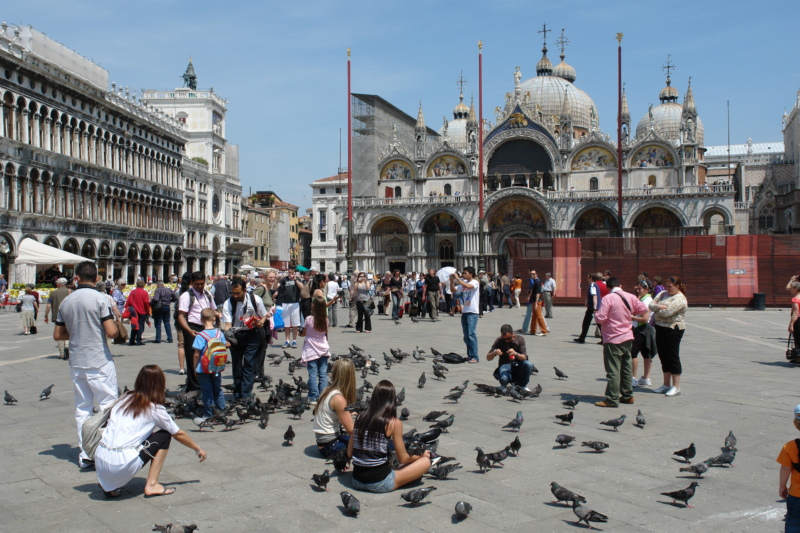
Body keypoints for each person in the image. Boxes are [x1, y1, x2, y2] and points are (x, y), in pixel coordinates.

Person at [94, 365, 207, 498]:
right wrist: (197, 448)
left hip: (100, 458)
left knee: (145, 437)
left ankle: (109, 485)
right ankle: (152, 485)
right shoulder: (154, 408)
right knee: (165, 435)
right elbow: (178, 434)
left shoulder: (125, 398)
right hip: (121, 463)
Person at [54, 260, 120, 469]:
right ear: (97, 278)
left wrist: (78, 332)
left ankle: (85, 454)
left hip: (77, 360)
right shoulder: (101, 299)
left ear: (77, 278)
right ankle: (106, 450)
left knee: (82, 408)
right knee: (108, 405)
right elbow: (111, 332)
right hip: (98, 359)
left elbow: (58, 335)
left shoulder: (67, 301)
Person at [347, 380, 433, 493]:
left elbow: (349, 453)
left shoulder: (360, 417)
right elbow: (403, 458)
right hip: (380, 483)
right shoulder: (393, 423)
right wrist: (421, 456)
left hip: (356, 481)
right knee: (425, 462)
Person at [593, 278, 649, 408]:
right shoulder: (630, 296)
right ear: (620, 285)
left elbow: (601, 318)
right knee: (626, 368)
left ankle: (612, 398)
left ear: (608, 287)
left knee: (613, 369)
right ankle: (628, 395)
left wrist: (596, 314)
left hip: (613, 338)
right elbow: (644, 309)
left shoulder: (608, 298)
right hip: (628, 336)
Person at [221, 278, 268, 400]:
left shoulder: (255, 299)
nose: (235, 296)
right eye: (233, 293)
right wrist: (227, 339)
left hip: (251, 333)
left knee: (248, 363)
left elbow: (264, 316)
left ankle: (246, 394)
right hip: (235, 335)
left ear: (245, 290)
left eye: (238, 293)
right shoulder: (228, 303)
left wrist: (260, 323)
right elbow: (227, 324)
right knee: (236, 364)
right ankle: (237, 392)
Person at [649, 276, 688, 397]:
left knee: (672, 356)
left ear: (677, 286)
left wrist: (657, 308)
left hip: (673, 328)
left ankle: (676, 386)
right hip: (660, 327)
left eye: (670, 286)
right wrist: (658, 307)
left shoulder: (680, 298)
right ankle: (666, 384)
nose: (668, 288)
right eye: (667, 286)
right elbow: (650, 305)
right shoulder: (663, 294)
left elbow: (667, 312)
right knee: (663, 355)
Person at [177, 272, 215, 392]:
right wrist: (189, 330)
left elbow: (213, 310)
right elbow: (181, 316)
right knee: (193, 357)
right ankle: (194, 386)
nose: (200, 286)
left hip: (207, 328)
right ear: (192, 283)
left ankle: (206, 384)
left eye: (202, 284)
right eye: (197, 284)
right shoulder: (186, 296)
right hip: (193, 328)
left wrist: (216, 316)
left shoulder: (208, 294)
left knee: (207, 356)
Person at [313, 359, 356, 458]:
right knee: (373, 445)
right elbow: (352, 430)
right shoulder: (338, 399)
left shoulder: (327, 390)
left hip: (324, 443)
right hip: (331, 446)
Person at [192, 308, 228, 419]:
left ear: (201, 320)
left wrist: (194, 368)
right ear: (214, 319)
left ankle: (209, 413)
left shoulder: (200, 335)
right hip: (216, 367)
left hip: (203, 368)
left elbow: (196, 354)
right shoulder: (219, 333)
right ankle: (221, 410)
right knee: (217, 389)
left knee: (207, 391)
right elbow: (224, 345)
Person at [301, 295, 331, 403]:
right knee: (323, 374)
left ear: (314, 306)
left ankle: (313, 396)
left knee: (313, 374)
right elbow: (325, 333)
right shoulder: (326, 320)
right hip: (323, 348)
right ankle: (322, 396)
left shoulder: (309, 319)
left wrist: (300, 333)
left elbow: (303, 333)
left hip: (311, 349)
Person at [487, 324, 534, 390]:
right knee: (504, 379)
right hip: (505, 364)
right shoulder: (499, 340)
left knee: (529, 364)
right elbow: (488, 358)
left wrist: (516, 354)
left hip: (518, 364)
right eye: (504, 339)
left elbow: (524, 358)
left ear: (512, 333)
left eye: (509, 338)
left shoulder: (519, 339)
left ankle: (523, 385)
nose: (506, 340)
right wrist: (494, 352)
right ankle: (504, 384)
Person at [777, 404, 800, 531]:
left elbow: (785, 469)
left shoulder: (790, 447)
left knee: (794, 524)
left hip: (797, 495)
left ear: (795, 424)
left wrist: (782, 487)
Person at [451, 266, 480, 363]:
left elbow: (468, 286)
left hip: (472, 312)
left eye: (465, 273)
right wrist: (451, 281)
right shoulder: (463, 283)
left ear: (471, 274)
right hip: (465, 311)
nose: (463, 275)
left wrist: (458, 279)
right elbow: (453, 290)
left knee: (471, 335)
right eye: (463, 273)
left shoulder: (475, 282)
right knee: (466, 336)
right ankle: (470, 355)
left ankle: (475, 356)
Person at [631, 280, 657, 387]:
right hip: (647, 329)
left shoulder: (646, 300)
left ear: (647, 289)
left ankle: (633, 378)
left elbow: (644, 318)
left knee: (633, 353)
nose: (638, 290)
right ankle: (646, 378)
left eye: (640, 289)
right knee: (647, 353)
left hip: (642, 328)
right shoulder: (644, 299)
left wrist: (632, 317)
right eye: (637, 289)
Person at [253, 270, 277, 378]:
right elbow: (251, 300)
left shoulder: (269, 290)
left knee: (263, 346)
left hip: (266, 321)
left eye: (274, 277)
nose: (272, 279)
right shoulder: (261, 289)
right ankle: (256, 372)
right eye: (270, 277)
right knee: (260, 346)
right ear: (265, 278)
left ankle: (259, 372)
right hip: (259, 321)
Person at [45, 278, 71, 358]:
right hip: (69, 315)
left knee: (60, 333)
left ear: (59, 284)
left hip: (57, 316)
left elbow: (48, 305)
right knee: (69, 331)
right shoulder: (71, 291)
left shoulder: (53, 293)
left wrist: (46, 315)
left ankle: (62, 353)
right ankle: (67, 346)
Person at [277, 269, 303, 348]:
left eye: (292, 271)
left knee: (295, 324)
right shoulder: (284, 279)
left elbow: (302, 287)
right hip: (285, 303)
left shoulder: (297, 279)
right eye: (289, 271)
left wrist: (295, 280)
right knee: (286, 324)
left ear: (294, 272)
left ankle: (294, 341)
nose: (290, 273)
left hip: (295, 303)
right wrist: (277, 280)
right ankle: (287, 340)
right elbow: (275, 287)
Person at [574, 273, 603, 344]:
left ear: (591, 278)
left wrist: (595, 308)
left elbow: (594, 296)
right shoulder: (596, 285)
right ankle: (582, 338)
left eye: (588, 278)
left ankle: (582, 338)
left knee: (587, 323)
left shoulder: (593, 285)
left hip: (592, 308)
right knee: (596, 323)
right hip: (594, 307)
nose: (587, 279)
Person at [125, 280, 151, 346]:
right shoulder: (144, 292)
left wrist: (127, 308)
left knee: (134, 325)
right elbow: (146, 302)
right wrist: (148, 308)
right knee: (140, 325)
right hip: (142, 311)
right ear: (143, 285)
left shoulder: (133, 292)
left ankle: (132, 340)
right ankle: (139, 340)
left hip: (133, 311)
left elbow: (129, 301)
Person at [528, 270, 549, 336]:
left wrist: (536, 303)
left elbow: (538, 293)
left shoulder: (537, 281)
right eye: (531, 274)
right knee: (534, 316)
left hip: (537, 301)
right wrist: (529, 296)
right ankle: (532, 330)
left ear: (536, 274)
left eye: (533, 274)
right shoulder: (534, 281)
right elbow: (532, 290)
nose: (532, 275)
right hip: (534, 300)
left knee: (539, 316)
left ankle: (544, 331)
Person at [789, 281, 800, 359]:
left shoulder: (796, 299)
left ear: (796, 289)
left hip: (798, 321)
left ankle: (798, 356)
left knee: (798, 338)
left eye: (791, 288)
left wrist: (791, 324)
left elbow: (796, 312)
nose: (790, 290)